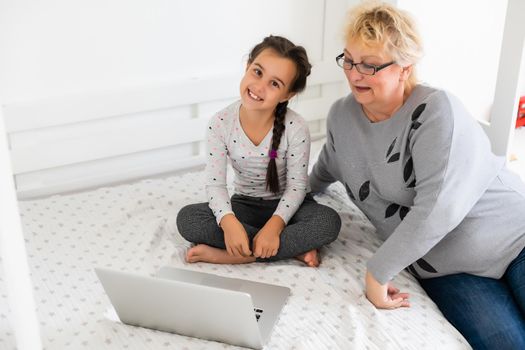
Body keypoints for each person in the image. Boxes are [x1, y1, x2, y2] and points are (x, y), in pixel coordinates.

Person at [309, 2, 525, 349]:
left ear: (404, 69)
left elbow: (438, 208)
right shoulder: (342, 116)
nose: (354, 74)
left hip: (514, 239)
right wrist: (279, 207)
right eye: (348, 60)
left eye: (370, 65)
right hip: (448, 270)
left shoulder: (435, 110)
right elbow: (325, 169)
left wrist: (377, 272)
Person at [177, 35, 341, 267]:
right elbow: (215, 185)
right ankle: (286, 249)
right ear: (247, 67)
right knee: (188, 219)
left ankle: (235, 254)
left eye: (275, 84)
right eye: (257, 72)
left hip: (291, 207)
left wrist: (275, 227)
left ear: (287, 95)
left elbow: (296, 187)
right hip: (245, 205)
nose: (259, 86)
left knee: (328, 222)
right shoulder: (221, 123)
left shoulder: (295, 128)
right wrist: (229, 223)